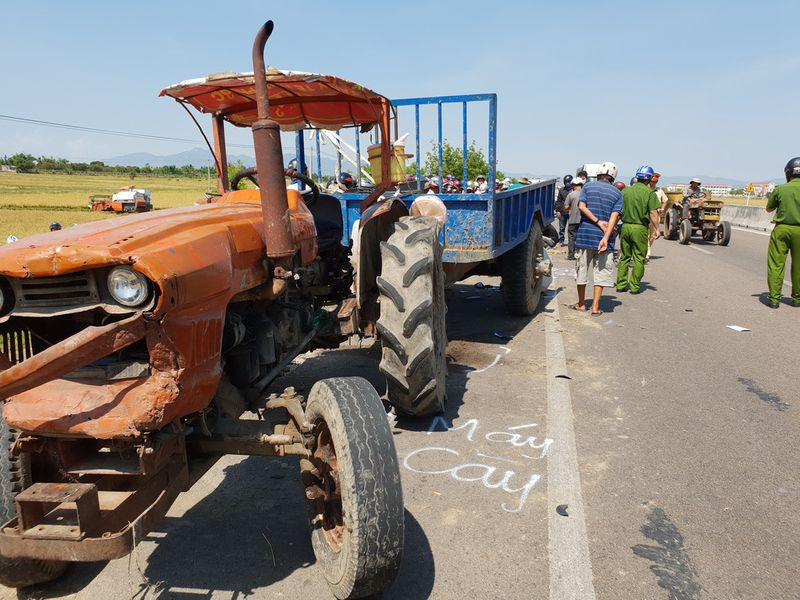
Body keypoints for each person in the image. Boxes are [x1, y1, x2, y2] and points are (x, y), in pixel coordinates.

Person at [572, 161, 623, 315]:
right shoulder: (617, 193)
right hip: (603, 239)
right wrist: (606, 237)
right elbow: (614, 217)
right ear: (613, 176)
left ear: (598, 174)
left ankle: (581, 304)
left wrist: (596, 221)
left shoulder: (587, 186)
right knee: (600, 273)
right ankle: (595, 307)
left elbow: (581, 207)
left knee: (582, 270)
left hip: (585, 235)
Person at [616, 165, 660, 294]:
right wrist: (657, 229)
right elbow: (653, 213)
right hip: (640, 227)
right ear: (649, 178)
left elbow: (618, 211)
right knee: (639, 258)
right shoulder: (650, 193)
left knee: (624, 256)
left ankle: (621, 284)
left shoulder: (625, 191)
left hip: (625, 227)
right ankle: (634, 287)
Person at [765, 157, 800, 308]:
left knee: (776, 264)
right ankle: (797, 299)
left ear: (788, 172)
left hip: (782, 229)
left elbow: (769, 208)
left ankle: (774, 299)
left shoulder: (781, 189)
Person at [647, 172, 669, 258]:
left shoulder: (659, 190)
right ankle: (646, 253)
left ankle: (647, 249)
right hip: (647, 215)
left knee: (652, 235)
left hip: (656, 215)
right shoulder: (645, 189)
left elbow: (665, 200)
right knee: (645, 235)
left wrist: (662, 208)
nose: (653, 183)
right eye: (652, 181)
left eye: (655, 182)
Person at [563, 176, 586, 260]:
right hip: (583, 221)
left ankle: (571, 255)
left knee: (571, 239)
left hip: (572, 220)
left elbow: (566, 207)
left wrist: (571, 208)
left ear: (573, 185)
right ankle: (581, 255)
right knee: (581, 238)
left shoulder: (571, 194)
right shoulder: (585, 194)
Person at [555, 174, 574, 244]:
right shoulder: (561, 190)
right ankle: (561, 240)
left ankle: (572, 241)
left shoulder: (574, 190)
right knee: (562, 227)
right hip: (563, 212)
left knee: (571, 228)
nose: (567, 184)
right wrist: (557, 211)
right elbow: (558, 201)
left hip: (572, 212)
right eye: (566, 182)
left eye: (569, 182)